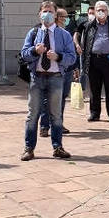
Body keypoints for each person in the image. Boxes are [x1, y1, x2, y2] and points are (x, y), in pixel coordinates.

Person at [20, 1, 76, 161]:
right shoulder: (33, 32)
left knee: (56, 115)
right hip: (37, 78)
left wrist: (58, 57)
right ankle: (28, 148)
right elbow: (24, 54)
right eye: (45, 11)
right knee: (33, 114)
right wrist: (34, 51)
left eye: (51, 11)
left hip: (56, 78)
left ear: (55, 15)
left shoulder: (64, 35)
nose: (47, 14)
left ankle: (57, 147)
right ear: (40, 14)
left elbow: (72, 58)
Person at [80, 1, 109, 122]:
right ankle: (94, 113)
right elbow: (85, 44)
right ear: (95, 11)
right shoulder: (89, 26)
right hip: (94, 61)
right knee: (94, 89)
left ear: (108, 12)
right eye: (99, 10)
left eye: (104, 10)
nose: (101, 12)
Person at [40, 8, 74, 136]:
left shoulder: (66, 32)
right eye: (63, 17)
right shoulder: (45, 32)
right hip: (51, 71)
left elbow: (71, 54)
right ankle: (44, 126)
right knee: (46, 99)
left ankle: (59, 123)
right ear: (56, 17)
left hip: (66, 70)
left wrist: (74, 67)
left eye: (67, 17)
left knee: (62, 98)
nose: (65, 19)